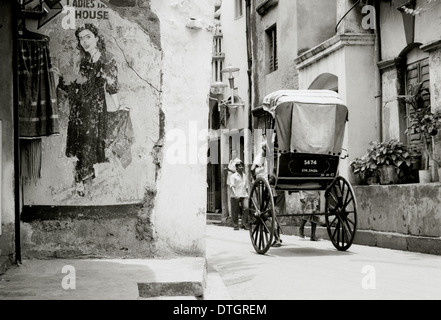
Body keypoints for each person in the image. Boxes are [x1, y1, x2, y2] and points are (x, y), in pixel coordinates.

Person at [57, 23, 129, 196]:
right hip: (78, 109)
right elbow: (78, 84)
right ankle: (83, 178)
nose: (84, 41)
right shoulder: (84, 60)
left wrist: (119, 106)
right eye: (81, 38)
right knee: (80, 143)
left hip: (93, 110)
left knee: (88, 143)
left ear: (96, 38)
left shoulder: (106, 59)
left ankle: (83, 180)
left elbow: (112, 86)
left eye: (88, 36)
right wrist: (61, 80)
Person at [229, 160, 249, 230]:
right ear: (236, 168)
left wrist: (247, 194)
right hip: (235, 195)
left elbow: (246, 186)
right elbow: (232, 186)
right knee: (235, 211)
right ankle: (235, 225)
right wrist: (235, 194)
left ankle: (244, 223)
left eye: (242, 166)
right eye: (239, 166)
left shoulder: (245, 175)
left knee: (246, 208)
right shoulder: (233, 176)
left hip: (244, 194)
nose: (241, 167)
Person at [224, 150, 241, 219]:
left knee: (236, 197)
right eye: (232, 153)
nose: (233, 154)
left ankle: (238, 214)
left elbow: (238, 171)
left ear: (236, 154)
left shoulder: (238, 161)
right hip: (229, 181)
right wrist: (228, 170)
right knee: (230, 197)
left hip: (236, 182)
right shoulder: (231, 161)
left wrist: (229, 169)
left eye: (234, 153)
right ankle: (231, 214)